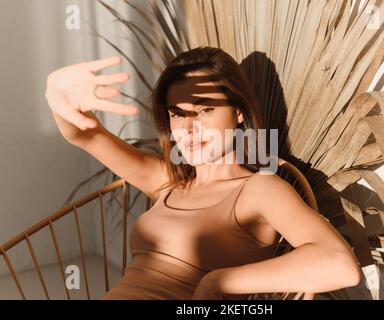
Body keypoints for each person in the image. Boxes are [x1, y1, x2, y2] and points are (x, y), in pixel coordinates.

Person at [45, 46, 361, 300]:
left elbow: (339, 265)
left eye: (205, 109)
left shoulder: (258, 188)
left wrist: (220, 281)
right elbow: (85, 135)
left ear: (238, 111)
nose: (189, 127)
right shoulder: (166, 181)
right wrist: (56, 92)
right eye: (177, 114)